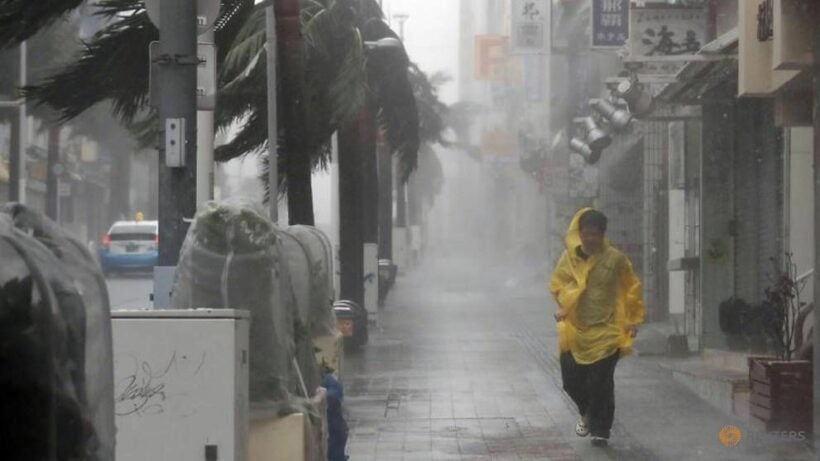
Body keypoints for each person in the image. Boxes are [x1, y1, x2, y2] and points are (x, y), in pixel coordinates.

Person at [548, 208, 645, 446]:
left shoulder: (615, 259)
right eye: (586, 233)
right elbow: (557, 284)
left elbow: (631, 289)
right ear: (579, 234)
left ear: (603, 234)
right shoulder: (568, 258)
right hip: (576, 330)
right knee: (571, 380)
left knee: (600, 383)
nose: (590, 238)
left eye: (595, 234)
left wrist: (632, 320)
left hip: (608, 330)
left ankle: (601, 430)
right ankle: (588, 411)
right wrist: (568, 297)